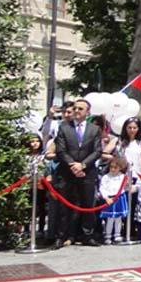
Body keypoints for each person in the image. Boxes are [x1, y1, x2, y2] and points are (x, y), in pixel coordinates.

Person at [53, 98, 103, 246]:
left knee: (87, 205)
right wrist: (73, 165)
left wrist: (83, 165)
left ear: (88, 112)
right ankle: (62, 236)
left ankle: (87, 235)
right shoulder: (64, 128)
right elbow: (61, 150)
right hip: (67, 173)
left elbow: (97, 151)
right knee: (64, 206)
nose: (76, 111)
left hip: (87, 173)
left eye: (80, 109)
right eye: (75, 108)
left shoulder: (94, 129)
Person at [98, 155, 130, 245]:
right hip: (110, 199)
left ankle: (117, 235)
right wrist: (106, 197)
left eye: (115, 167)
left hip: (119, 198)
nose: (113, 169)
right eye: (111, 167)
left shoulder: (123, 177)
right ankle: (108, 235)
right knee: (110, 218)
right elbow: (102, 188)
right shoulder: (106, 177)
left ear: (120, 168)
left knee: (118, 218)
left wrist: (128, 185)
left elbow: (126, 188)